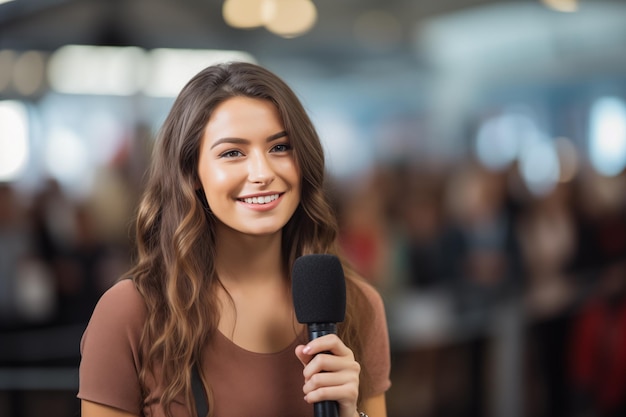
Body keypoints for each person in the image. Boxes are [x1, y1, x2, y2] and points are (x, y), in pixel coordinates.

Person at [77, 61, 391, 417]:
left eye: (280, 147)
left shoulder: (359, 306)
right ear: (191, 172)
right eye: (232, 153)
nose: (262, 173)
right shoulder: (131, 313)